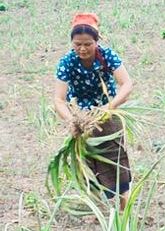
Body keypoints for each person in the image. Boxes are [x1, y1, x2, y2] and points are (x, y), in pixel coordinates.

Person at [53, 12, 134, 209]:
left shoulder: (107, 56)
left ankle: (125, 207)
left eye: (87, 44)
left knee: (116, 159)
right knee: (88, 163)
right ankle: (99, 208)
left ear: (97, 41)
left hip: (108, 114)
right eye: (77, 44)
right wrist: (73, 121)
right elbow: (58, 99)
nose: (82, 49)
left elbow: (126, 84)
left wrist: (109, 108)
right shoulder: (67, 62)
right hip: (82, 119)